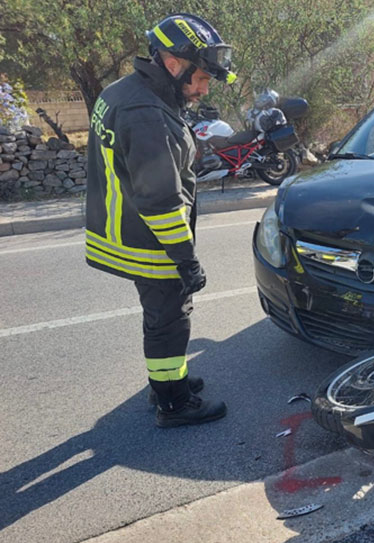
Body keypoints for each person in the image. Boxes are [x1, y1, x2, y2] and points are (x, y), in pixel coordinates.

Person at [84, 14, 236, 427]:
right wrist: (186, 260)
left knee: (159, 314)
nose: (204, 89)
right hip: (149, 239)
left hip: (125, 228)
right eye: (202, 78)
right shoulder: (145, 113)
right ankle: (173, 402)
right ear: (173, 63)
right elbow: (161, 201)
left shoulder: (125, 91)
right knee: (171, 316)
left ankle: (167, 379)